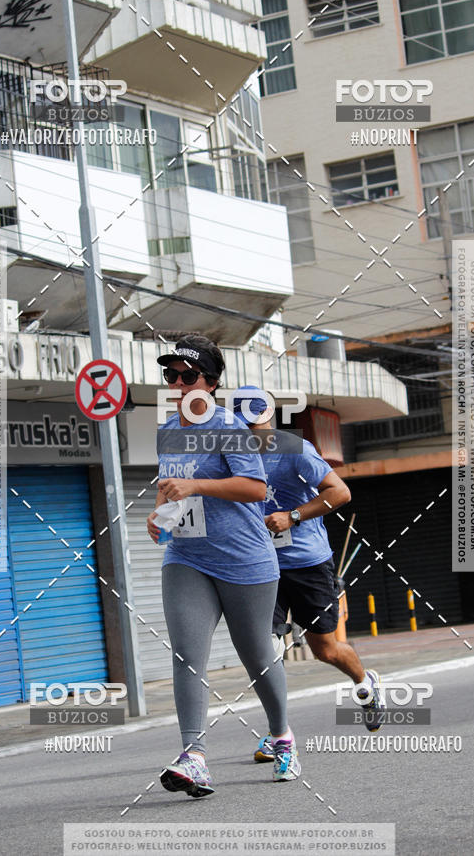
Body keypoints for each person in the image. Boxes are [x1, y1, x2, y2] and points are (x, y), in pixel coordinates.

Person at [146, 336, 301, 798]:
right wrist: (159, 516)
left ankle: (282, 735)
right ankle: (193, 757)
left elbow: (254, 488)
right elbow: (168, 483)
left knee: (256, 655)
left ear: (210, 383)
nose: (176, 383)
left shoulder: (229, 426)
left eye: (187, 375)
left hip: (244, 559)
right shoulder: (167, 429)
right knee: (187, 654)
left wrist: (196, 485)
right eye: (170, 375)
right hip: (187, 556)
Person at [229, 386, 385, 764]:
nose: (250, 431)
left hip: (307, 562)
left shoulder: (293, 450)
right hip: (262, 566)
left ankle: (366, 685)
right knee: (264, 650)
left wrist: (293, 515)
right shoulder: (232, 455)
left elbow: (340, 492)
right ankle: (277, 732)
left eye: (255, 422)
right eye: (242, 424)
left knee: (324, 649)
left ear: (268, 418)